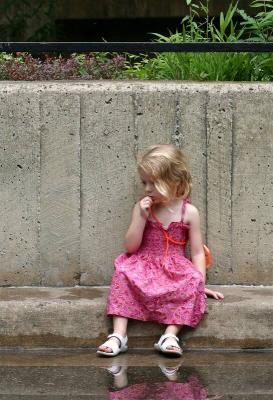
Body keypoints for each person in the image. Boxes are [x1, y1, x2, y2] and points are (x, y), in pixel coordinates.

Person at [97, 144, 224, 357]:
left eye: (154, 183)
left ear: (175, 182)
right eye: (144, 182)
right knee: (122, 274)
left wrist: (200, 284)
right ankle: (119, 335)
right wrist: (140, 217)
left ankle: (170, 335)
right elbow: (131, 247)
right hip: (144, 264)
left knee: (192, 280)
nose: (147, 189)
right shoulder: (142, 207)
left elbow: (197, 252)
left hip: (175, 268)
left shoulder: (189, 212)